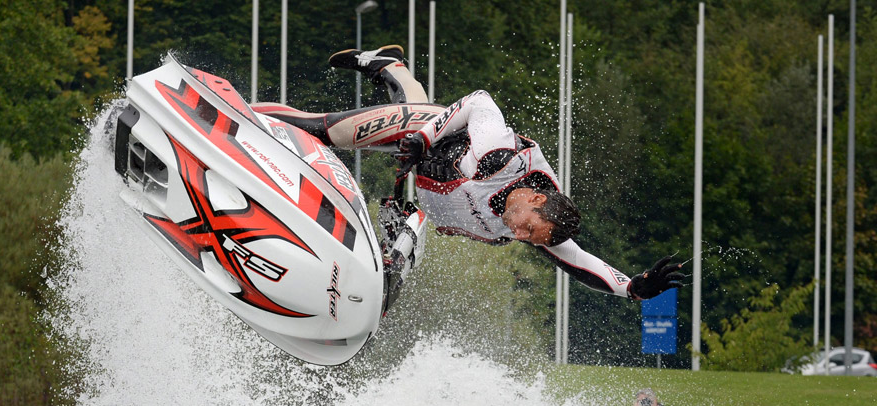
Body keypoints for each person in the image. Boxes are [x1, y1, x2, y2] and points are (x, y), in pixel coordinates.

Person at [253, 44, 683, 302]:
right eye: (529, 229)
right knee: (324, 130)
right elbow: (479, 100)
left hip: (419, 181)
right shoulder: (502, 159)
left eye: (530, 238)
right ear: (534, 199)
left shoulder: (542, 224)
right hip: (421, 137)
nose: (521, 237)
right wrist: (422, 137)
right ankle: (231, 113)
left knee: (398, 222)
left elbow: (580, 262)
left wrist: (631, 289)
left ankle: (390, 66)